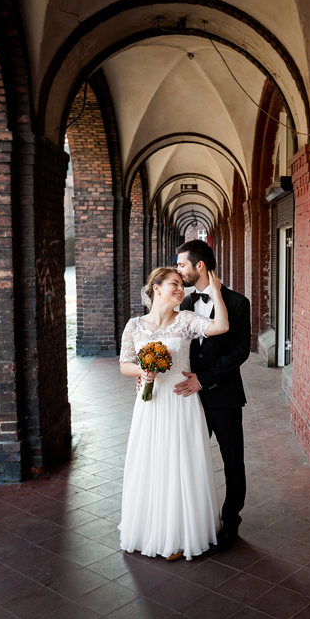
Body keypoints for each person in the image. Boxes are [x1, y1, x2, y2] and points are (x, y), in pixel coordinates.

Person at [118, 266, 229, 561]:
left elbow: (220, 327)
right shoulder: (134, 325)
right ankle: (151, 530)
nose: (181, 290)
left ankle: (183, 533)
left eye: (182, 285)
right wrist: (143, 371)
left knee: (182, 463)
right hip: (150, 404)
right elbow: (124, 364)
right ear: (156, 288)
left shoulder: (186, 320)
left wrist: (216, 290)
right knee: (152, 462)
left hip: (181, 402)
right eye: (174, 284)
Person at [173, 240, 251, 553]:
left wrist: (204, 380)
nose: (179, 270)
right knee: (189, 458)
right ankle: (194, 519)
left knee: (233, 461)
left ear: (200, 265)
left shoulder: (237, 302)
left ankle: (230, 520)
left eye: (182, 265)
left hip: (225, 397)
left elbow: (240, 352)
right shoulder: (185, 303)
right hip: (190, 399)